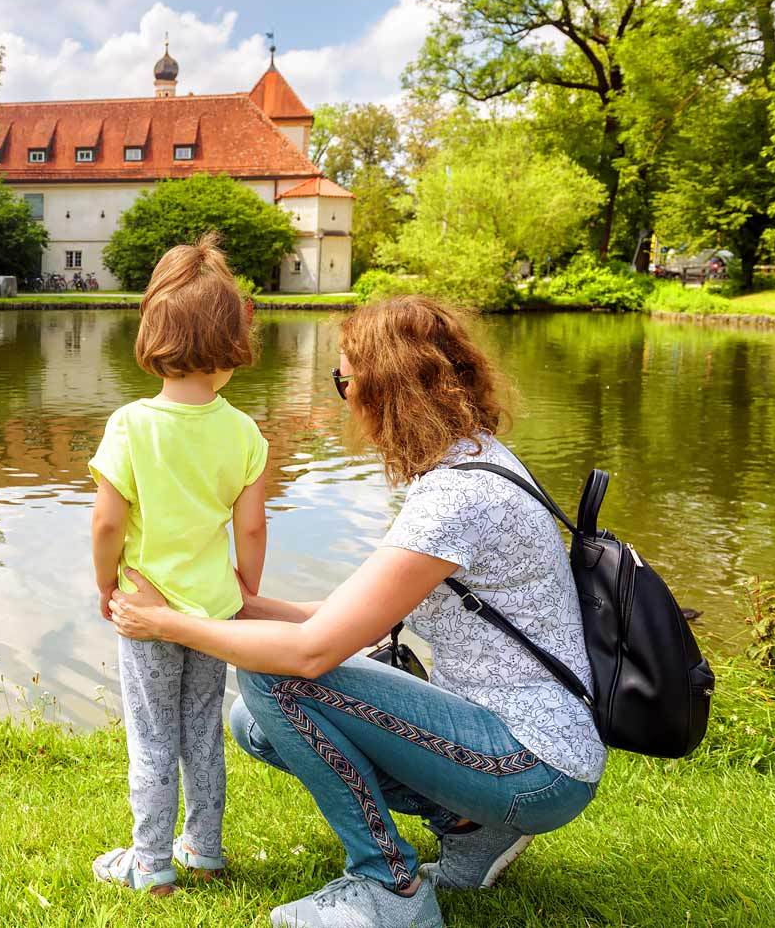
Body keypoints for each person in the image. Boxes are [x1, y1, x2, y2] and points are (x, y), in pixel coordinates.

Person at [110, 295, 604, 928]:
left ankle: (388, 886)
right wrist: (222, 605)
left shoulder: (458, 496)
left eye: (343, 379)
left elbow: (314, 650)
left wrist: (165, 624)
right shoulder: (477, 460)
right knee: (252, 724)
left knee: (276, 680)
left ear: (385, 388)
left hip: (533, 762)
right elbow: (344, 612)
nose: (343, 397)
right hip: (520, 740)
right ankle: (469, 826)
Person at [87, 233, 270, 895]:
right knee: (202, 730)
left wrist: (105, 583)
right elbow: (251, 526)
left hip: (147, 611)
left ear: (153, 332)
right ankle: (206, 848)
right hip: (214, 609)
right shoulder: (244, 432)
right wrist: (245, 584)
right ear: (230, 342)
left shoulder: (130, 425)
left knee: (151, 737)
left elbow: (108, 522)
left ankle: (151, 865)